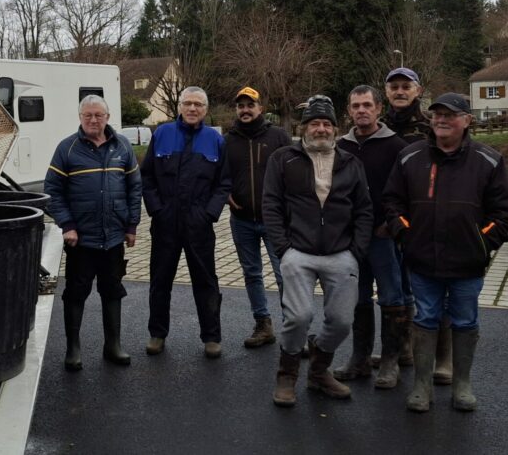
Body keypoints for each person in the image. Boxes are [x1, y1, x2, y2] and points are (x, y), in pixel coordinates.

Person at [383, 92, 508, 413]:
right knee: (426, 318)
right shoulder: (410, 157)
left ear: (467, 121)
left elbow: (504, 211)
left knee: (466, 320)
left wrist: (482, 242)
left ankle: (462, 384)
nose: (442, 120)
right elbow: (391, 202)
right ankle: (422, 385)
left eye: (450, 115)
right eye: (437, 114)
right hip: (422, 260)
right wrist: (406, 235)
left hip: (467, 262)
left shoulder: (488, 160)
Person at [264, 95, 373, 407]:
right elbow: (271, 204)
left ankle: (319, 371)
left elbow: (364, 209)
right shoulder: (283, 159)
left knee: (340, 321)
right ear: (304, 128)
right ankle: (286, 377)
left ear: (336, 128)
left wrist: (356, 251)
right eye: (315, 123)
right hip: (297, 252)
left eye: (327, 123)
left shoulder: (352, 163)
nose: (321, 129)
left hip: (341, 254)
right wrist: (283, 248)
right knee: (299, 317)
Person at [45, 95, 143, 371]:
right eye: (87, 115)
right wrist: (68, 225)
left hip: (113, 237)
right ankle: (73, 348)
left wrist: (132, 226)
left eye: (98, 115)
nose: (93, 120)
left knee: (112, 291)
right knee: (75, 293)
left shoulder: (122, 146)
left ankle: (113, 345)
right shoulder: (67, 149)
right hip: (81, 240)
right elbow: (52, 191)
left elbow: (135, 188)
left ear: (107, 117)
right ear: (80, 118)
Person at [141, 86, 231, 358]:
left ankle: (212, 338)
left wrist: (209, 214)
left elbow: (223, 183)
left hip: (198, 224)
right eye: (188, 103)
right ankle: (157, 334)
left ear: (206, 110)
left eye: (198, 105)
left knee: (206, 282)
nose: (192, 109)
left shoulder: (215, 141)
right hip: (166, 221)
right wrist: (157, 209)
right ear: (179, 106)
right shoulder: (162, 134)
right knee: (160, 280)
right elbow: (147, 178)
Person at [333, 85, 408, 389]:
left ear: (379, 108)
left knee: (392, 298)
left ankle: (390, 361)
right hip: (351, 239)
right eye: (355, 106)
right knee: (358, 298)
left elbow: (406, 192)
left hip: (384, 236)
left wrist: (392, 225)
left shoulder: (396, 147)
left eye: (367, 105)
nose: (361, 110)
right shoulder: (340, 147)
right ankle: (360, 358)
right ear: (348, 111)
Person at [223, 86, 292, 349]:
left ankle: (292, 326)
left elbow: (295, 170)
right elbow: (221, 174)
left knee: (284, 274)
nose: (245, 110)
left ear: (260, 108)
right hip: (241, 220)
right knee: (252, 274)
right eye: (240, 106)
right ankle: (263, 324)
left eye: (250, 105)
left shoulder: (278, 136)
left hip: (275, 221)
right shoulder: (228, 140)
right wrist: (225, 192)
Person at [382, 66, 437, 373]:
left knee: (414, 287)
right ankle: (398, 347)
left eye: (406, 86)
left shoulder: (430, 127)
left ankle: (418, 351)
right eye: (394, 87)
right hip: (384, 221)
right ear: (386, 92)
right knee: (392, 288)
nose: (400, 91)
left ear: (418, 90)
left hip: (419, 220)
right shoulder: (378, 124)